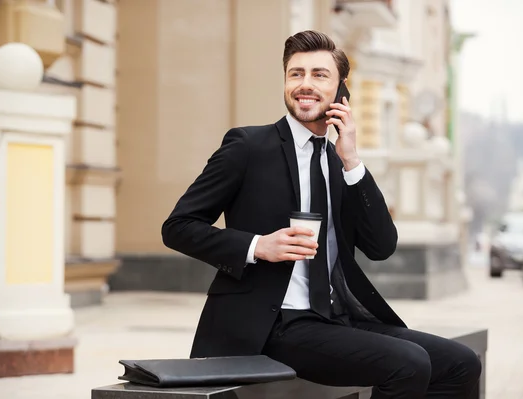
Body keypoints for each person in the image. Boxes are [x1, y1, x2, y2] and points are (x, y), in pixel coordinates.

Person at [162, 30, 481, 399]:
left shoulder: (338, 161)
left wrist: (353, 161)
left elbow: (381, 246)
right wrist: (256, 246)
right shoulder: (248, 147)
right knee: (408, 364)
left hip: (337, 318)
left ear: (340, 91)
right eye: (296, 74)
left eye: (319, 75)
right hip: (272, 324)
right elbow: (178, 227)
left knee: (462, 363)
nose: (305, 84)